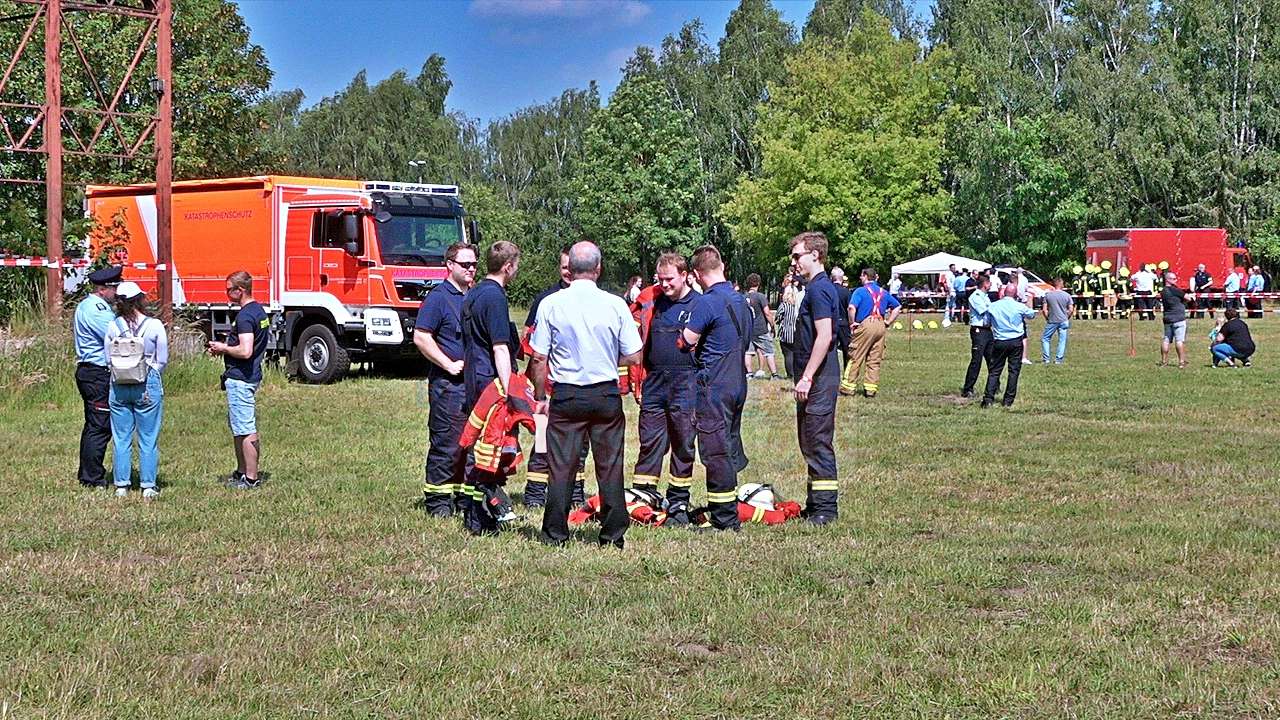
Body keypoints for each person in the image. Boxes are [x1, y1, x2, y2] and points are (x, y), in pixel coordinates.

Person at [528, 241, 643, 548]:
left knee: (561, 466)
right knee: (610, 465)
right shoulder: (615, 304)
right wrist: (606, 358)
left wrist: (540, 396)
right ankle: (613, 535)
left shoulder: (551, 303)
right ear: (598, 269)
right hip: (605, 393)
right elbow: (634, 356)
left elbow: (538, 357)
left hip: (566, 394)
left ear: (570, 269)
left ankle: (555, 533)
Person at [682, 244, 752, 530]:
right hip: (737, 381)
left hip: (714, 385)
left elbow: (686, 340)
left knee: (715, 449)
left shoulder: (706, 302)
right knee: (730, 441)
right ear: (722, 266)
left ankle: (724, 518)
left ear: (697, 274)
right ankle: (728, 504)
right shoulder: (740, 300)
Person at [630, 253, 699, 524]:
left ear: (685, 275)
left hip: (686, 382)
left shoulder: (699, 304)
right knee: (650, 440)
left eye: (670, 279)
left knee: (683, 441)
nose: (665, 284)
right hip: (655, 382)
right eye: (661, 279)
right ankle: (643, 496)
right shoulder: (653, 302)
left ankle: (678, 500)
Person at [459, 241, 521, 534]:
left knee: (481, 449)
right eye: (516, 266)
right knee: (490, 451)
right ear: (508, 266)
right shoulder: (495, 297)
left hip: (474, 378)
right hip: (490, 382)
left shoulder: (474, 293)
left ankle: (478, 514)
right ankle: (480, 517)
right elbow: (500, 347)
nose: (516, 271)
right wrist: (509, 390)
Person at [412, 241, 476, 517]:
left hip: (473, 385)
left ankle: (464, 499)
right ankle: (438, 502)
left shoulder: (473, 296)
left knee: (470, 446)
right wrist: (448, 364)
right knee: (447, 444)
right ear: (449, 265)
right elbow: (421, 336)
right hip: (448, 386)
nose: (471, 269)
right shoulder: (438, 298)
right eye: (465, 264)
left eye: (474, 264)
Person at [520, 246, 586, 509]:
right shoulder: (546, 300)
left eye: (573, 267)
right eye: (564, 267)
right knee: (543, 440)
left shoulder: (590, 299)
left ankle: (576, 493)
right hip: (548, 384)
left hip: (580, 384)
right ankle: (536, 494)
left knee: (580, 443)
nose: (569, 272)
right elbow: (531, 344)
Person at [789, 232, 841, 524]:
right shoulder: (815, 287)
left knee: (818, 440)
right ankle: (814, 503)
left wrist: (807, 377)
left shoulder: (820, 289)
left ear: (815, 255)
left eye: (797, 255)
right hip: (815, 377)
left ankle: (826, 509)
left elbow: (824, 336)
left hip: (820, 378)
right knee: (809, 439)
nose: (793, 261)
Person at [104, 281, 168, 499]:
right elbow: (162, 359)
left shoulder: (113, 326)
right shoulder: (155, 325)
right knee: (148, 437)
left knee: (121, 437)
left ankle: (121, 485)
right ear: (140, 299)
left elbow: (108, 359)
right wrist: (150, 373)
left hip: (119, 384)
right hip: (147, 383)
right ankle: (148, 485)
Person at [207, 270, 269, 489]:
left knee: (245, 428)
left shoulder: (245, 316)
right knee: (239, 426)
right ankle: (241, 472)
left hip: (241, 378)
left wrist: (223, 348)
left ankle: (251, 479)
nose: (226, 294)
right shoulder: (259, 311)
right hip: (250, 375)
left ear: (240, 290)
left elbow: (245, 351)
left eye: (229, 290)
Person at [73, 265, 122, 488]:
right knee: (100, 426)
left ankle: (88, 473)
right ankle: (92, 478)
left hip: (93, 372)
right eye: (114, 288)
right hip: (97, 372)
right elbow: (117, 335)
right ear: (103, 289)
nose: (117, 292)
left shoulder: (92, 306)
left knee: (95, 423)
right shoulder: (96, 309)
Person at [840, 268, 901, 398]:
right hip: (880, 324)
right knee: (874, 359)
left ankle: (848, 387)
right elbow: (897, 307)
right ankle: (870, 389)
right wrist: (888, 322)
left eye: (861, 276)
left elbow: (851, 307)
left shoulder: (860, 291)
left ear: (865, 276)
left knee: (855, 356)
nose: (860, 278)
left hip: (866, 324)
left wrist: (852, 323)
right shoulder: (883, 292)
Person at [981, 285, 1037, 408]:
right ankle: (1008, 400)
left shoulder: (993, 306)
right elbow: (1032, 315)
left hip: (999, 341)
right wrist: (1029, 300)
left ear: (1004, 293)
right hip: (1016, 341)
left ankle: (988, 399)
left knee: (995, 371)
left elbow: (986, 322)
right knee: (1014, 371)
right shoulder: (1019, 306)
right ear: (1016, 294)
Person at [961, 273, 993, 398]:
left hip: (988, 330)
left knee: (992, 360)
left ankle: (994, 386)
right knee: (977, 360)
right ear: (985, 284)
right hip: (978, 331)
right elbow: (984, 310)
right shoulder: (975, 296)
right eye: (989, 283)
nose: (991, 285)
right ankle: (968, 388)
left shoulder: (986, 296)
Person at [741, 273, 779, 379]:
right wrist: (772, 325)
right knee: (769, 351)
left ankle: (749, 373)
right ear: (758, 283)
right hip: (760, 329)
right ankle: (774, 374)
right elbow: (767, 313)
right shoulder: (760, 296)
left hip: (748, 329)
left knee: (748, 352)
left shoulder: (743, 297)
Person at [1158, 271, 1188, 368]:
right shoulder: (1175, 290)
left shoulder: (1163, 291)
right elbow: (1187, 298)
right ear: (1168, 280)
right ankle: (1181, 362)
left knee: (1166, 340)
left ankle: (1164, 361)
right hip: (1179, 318)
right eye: (1174, 279)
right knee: (1179, 341)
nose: (1176, 280)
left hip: (1167, 318)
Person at [1040, 278, 1073, 364]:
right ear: (1061, 284)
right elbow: (1071, 309)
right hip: (1064, 320)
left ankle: (1046, 358)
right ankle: (1058, 359)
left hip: (1052, 320)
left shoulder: (1048, 295)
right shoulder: (1067, 295)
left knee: (1045, 338)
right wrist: (1067, 317)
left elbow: (1044, 310)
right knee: (1062, 340)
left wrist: (1047, 318)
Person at [776, 274, 801, 379]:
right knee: (795, 354)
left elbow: (777, 317)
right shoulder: (798, 306)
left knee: (787, 354)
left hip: (786, 333)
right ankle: (796, 372)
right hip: (796, 332)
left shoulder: (784, 306)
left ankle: (790, 374)